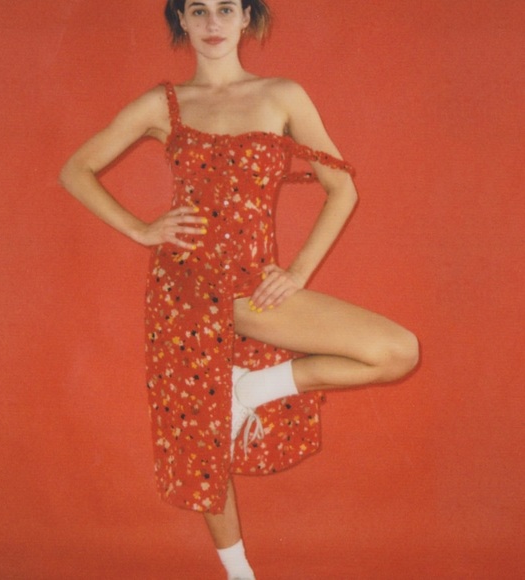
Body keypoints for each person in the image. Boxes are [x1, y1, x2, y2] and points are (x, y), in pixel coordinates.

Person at [60, 1, 419, 578]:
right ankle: (239, 574)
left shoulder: (282, 95)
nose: (212, 23)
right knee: (203, 445)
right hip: (183, 290)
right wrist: (142, 229)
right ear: (181, 20)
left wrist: (297, 273)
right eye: (198, 10)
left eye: (226, 8)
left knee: (398, 351)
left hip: (251, 285)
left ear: (247, 17)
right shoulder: (164, 103)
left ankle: (251, 389)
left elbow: (342, 189)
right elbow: (75, 169)